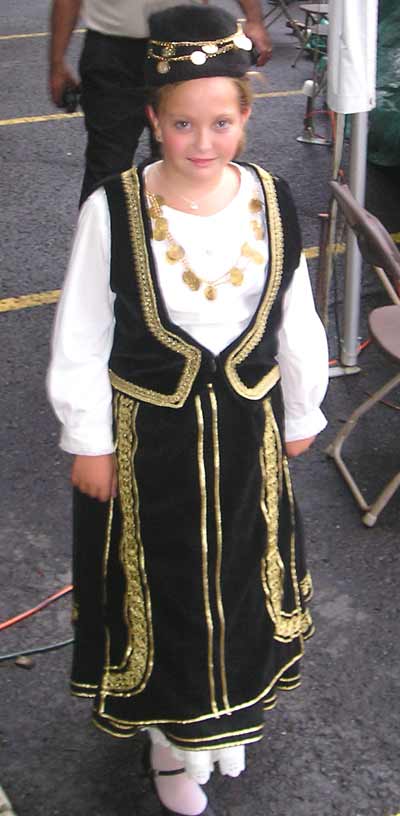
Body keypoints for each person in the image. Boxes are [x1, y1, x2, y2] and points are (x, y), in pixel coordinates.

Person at [47, 6, 329, 815]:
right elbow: (83, 329)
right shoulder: (114, 207)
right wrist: (88, 438)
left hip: (245, 429)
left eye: (220, 123)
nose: (201, 143)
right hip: (149, 440)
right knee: (165, 584)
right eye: (181, 124)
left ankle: (228, 720)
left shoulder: (270, 198)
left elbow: (295, 313)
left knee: (242, 574)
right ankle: (172, 743)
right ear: (152, 120)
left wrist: (302, 409)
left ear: (246, 117)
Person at [48, 0, 273, 205]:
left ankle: (184, 246)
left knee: (193, 163)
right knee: (108, 168)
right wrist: (56, 62)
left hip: (186, 46)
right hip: (115, 50)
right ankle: (103, 244)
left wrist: (254, 19)